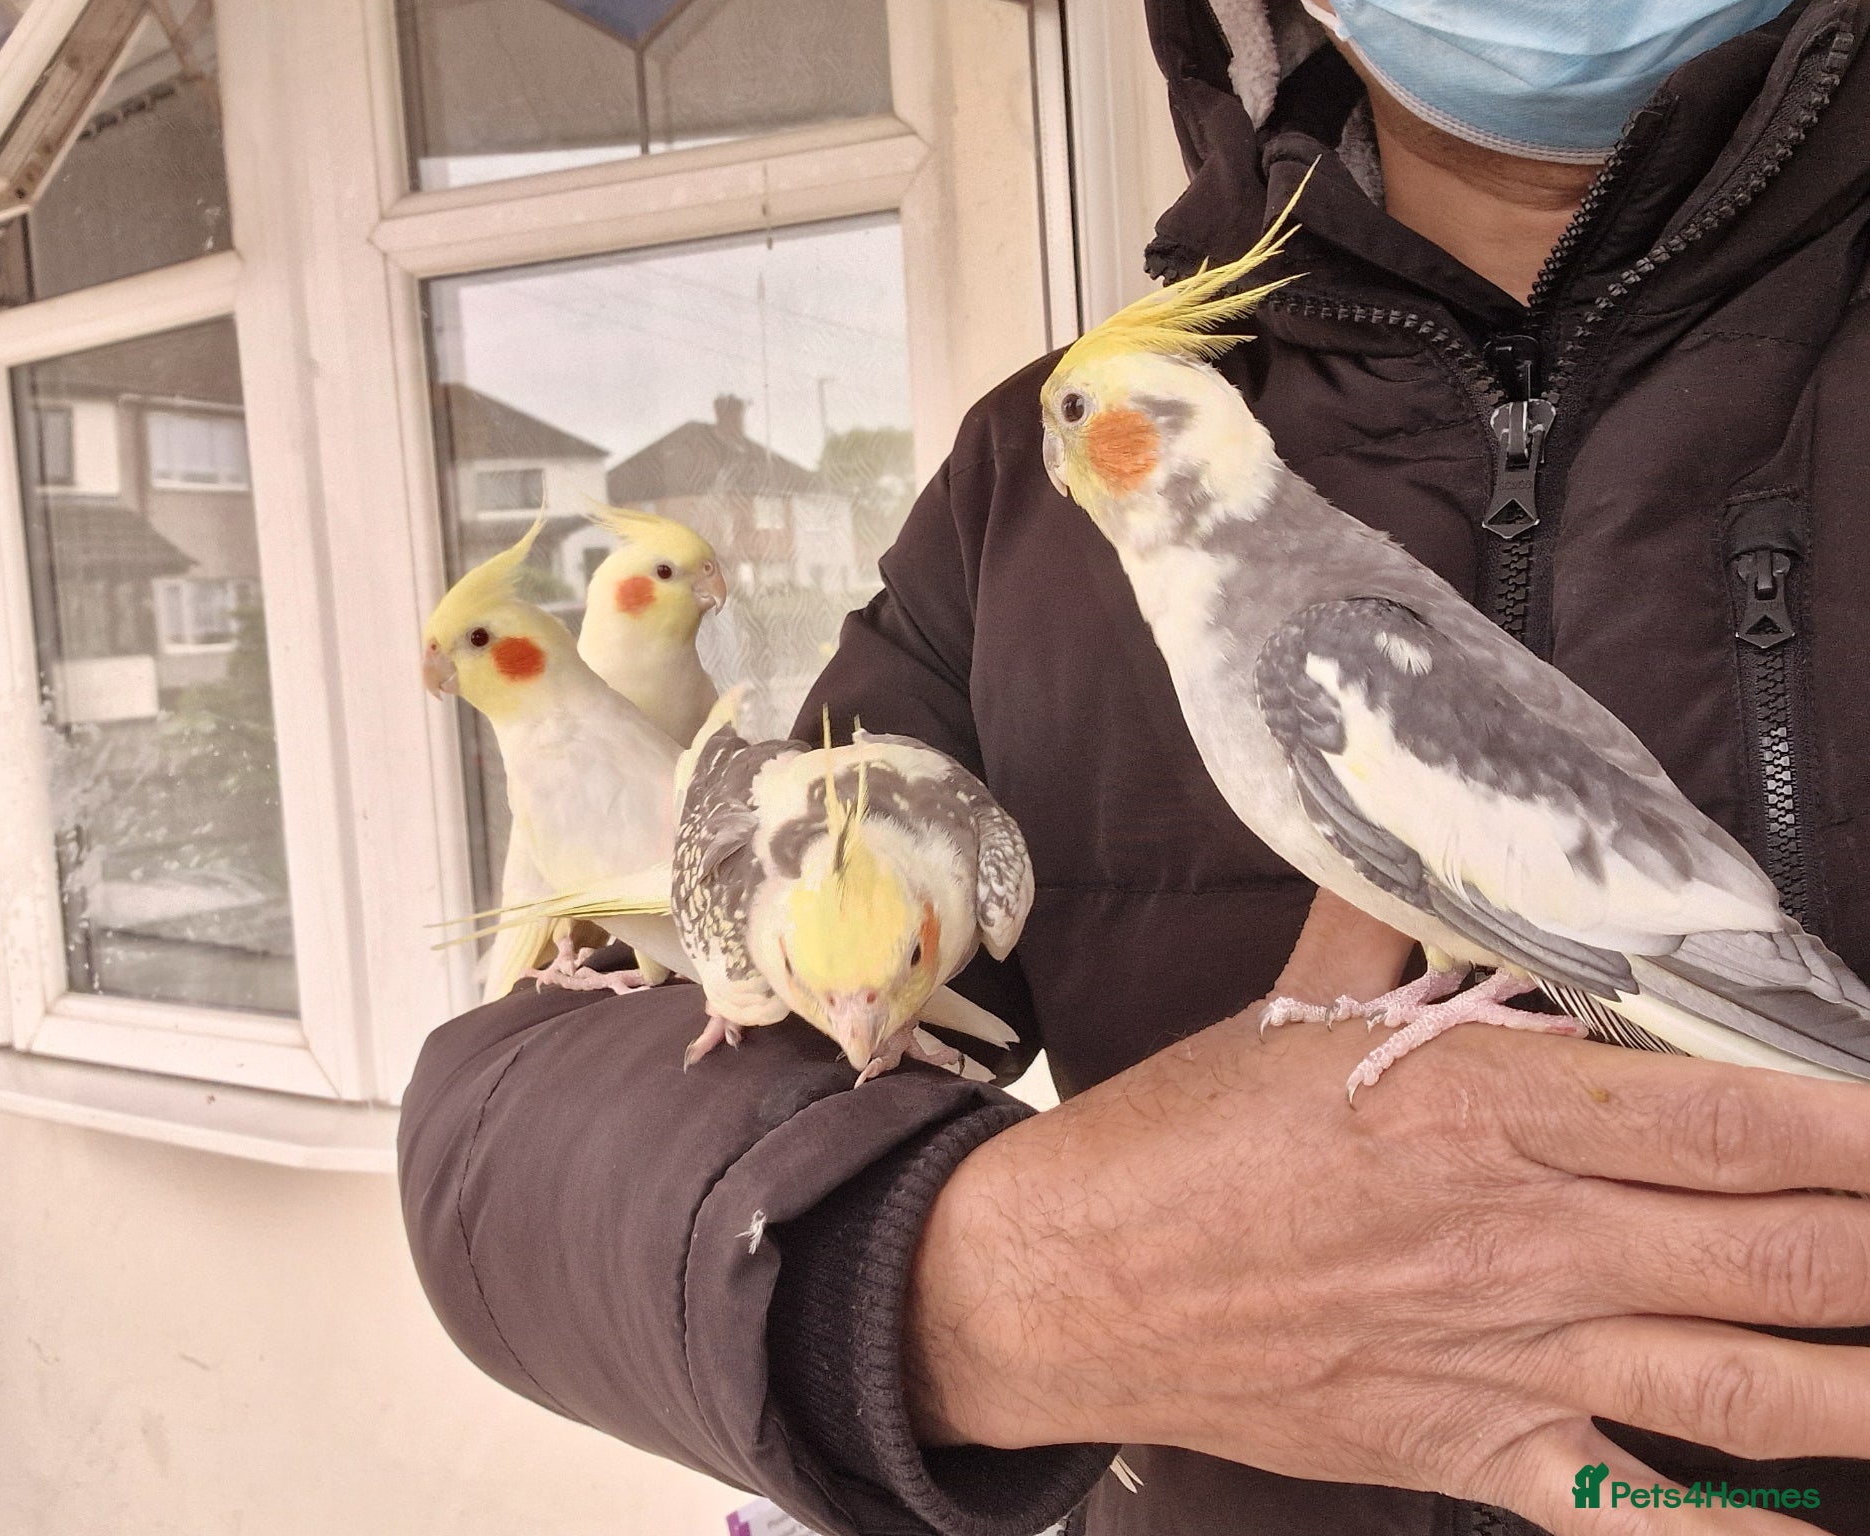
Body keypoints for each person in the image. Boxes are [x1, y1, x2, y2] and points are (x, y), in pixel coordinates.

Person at [397, 1, 1870, 1532]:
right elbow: (507, 1153)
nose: (1064, 449)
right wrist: (981, 1281)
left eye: (1087, 424)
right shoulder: (1003, 527)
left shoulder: (1314, 630)